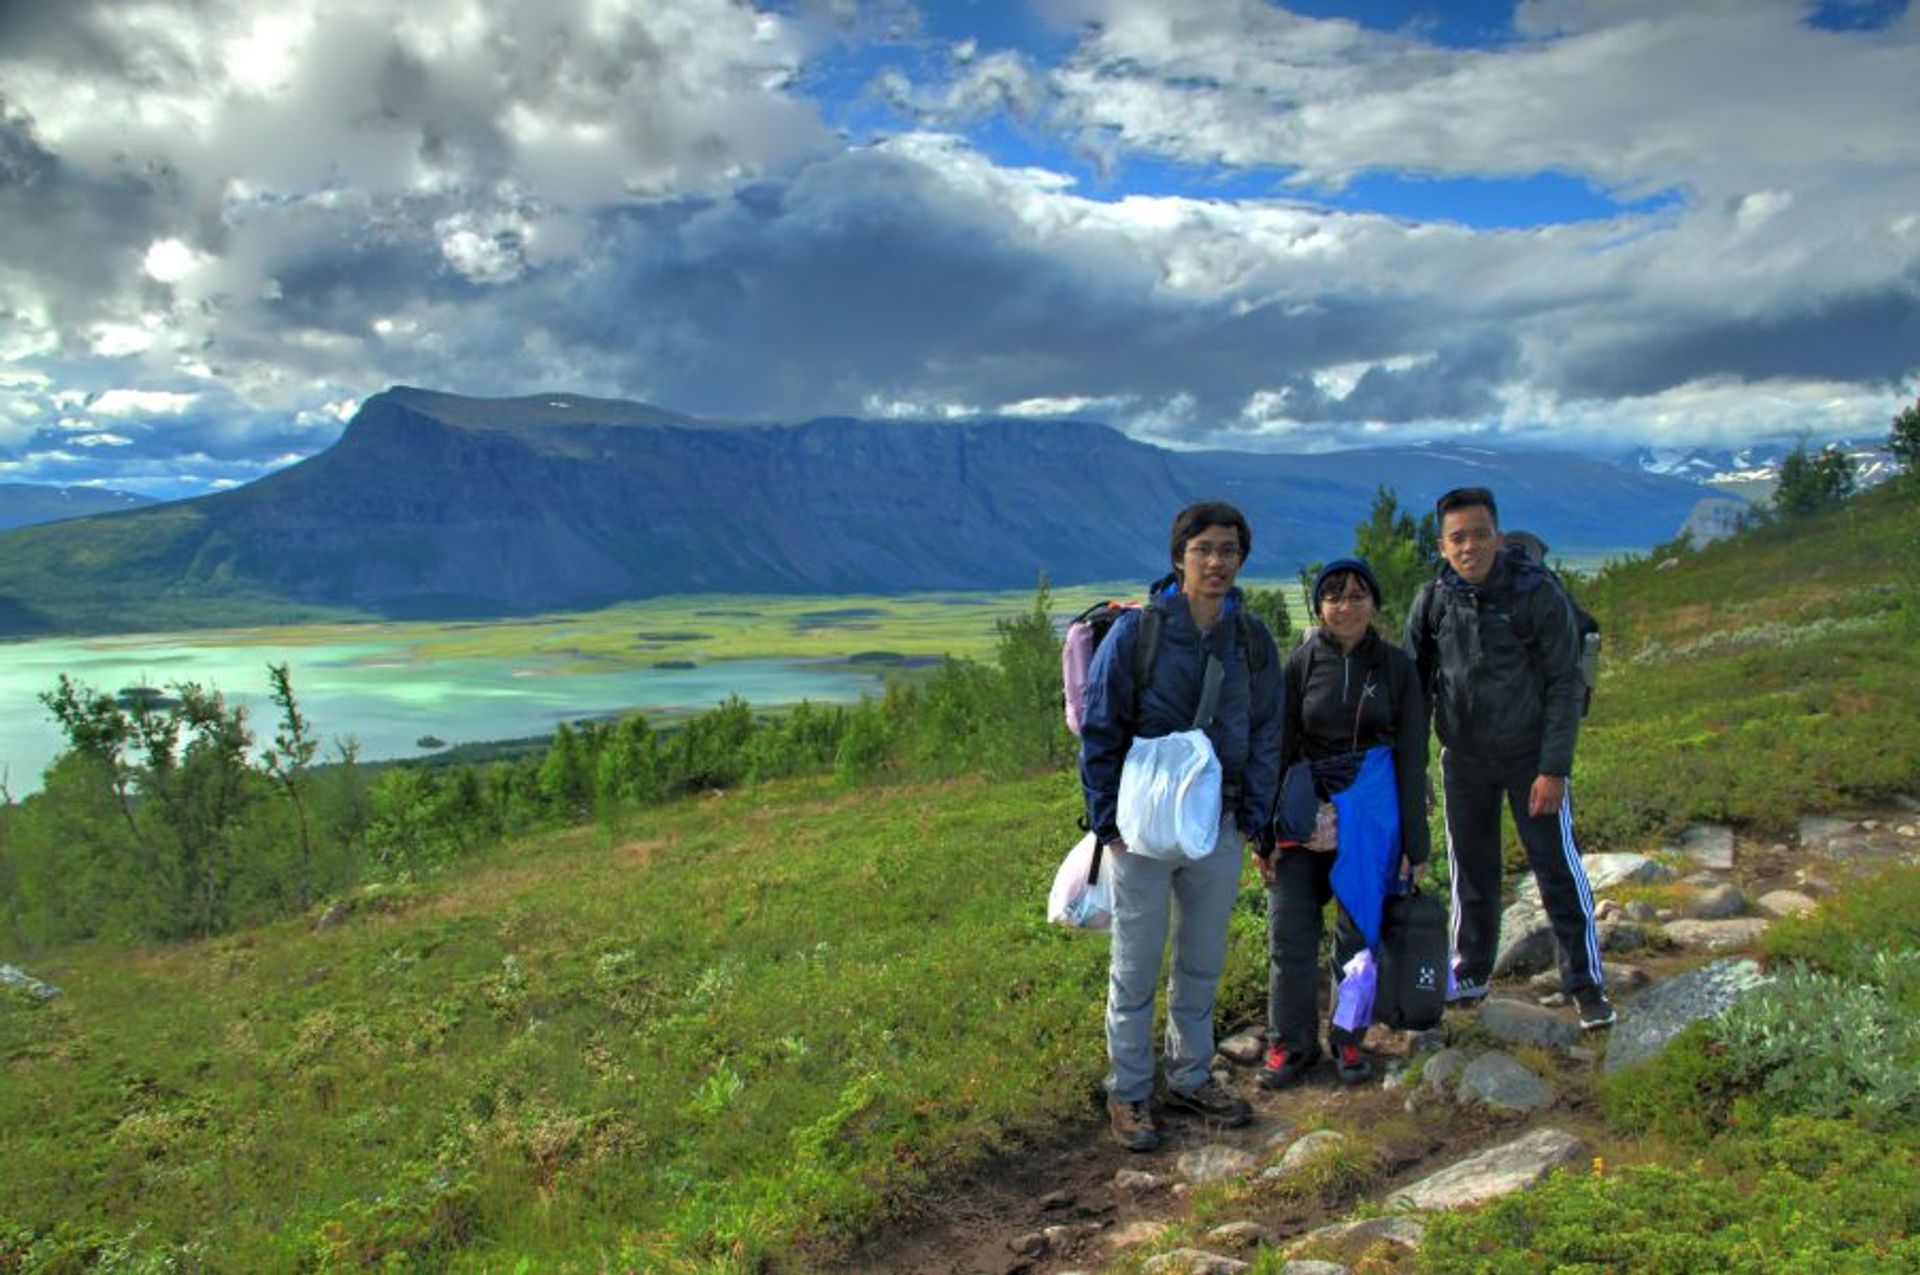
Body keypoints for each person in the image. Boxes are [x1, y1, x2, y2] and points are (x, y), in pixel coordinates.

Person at [1079, 501, 1283, 1152]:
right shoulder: (1137, 635)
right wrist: (1106, 825)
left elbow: (1266, 731)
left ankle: (1191, 1076)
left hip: (1218, 825)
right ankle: (1131, 1089)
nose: (1217, 561)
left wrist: (1252, 816)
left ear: (1241, 559)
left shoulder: (1251, 638)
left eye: (1228, 549)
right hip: (1140, 830)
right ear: (1178, 557)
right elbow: (1100, 727)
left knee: (1201, 961)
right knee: (1134, 967)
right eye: (1204, 549)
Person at [1405, 487, 1612, 1029]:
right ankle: (1470, 971)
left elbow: (1565, 684)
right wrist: (1414, 766)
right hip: (1464, 758)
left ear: (1496, 536)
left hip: (1529, 760)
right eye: (1458, 538)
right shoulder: (1433, 602)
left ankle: (1585, 985)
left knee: (1556, 867)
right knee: (1470, 869)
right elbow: (1414, 690)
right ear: (1442, 545)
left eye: (1479, 534)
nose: (1469, 546)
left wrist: (1554, 768)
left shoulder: (1535, 594)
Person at [1256, 558, 1429, 1088]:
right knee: (1290, 934)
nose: (1345, 605)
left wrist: (1414, 841)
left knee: (1357, 935)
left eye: (1357, 595)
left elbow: (1412, 755)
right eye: (1333, 596)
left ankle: (1348, 1039)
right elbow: (1279, 746)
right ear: (1319, 606)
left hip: (1372, 820)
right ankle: (1290, 1043)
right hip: (1304, 816)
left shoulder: (1398, 668)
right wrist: (1265, 833)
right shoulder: (1302, 664)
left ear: (1373, 603)